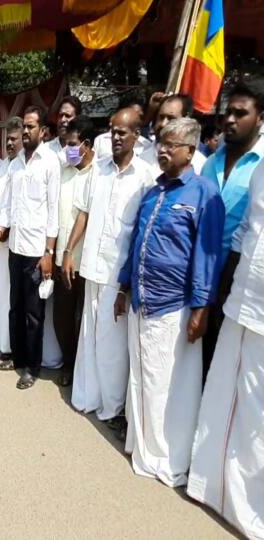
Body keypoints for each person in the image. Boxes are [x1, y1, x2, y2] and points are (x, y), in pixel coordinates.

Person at [116, 117, 224, 486]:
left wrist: (201, 308)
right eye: (161, 142)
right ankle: (143, 449)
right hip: (141, 301)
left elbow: (207, 257)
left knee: (169, 385)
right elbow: (136, 244)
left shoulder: (204, 194)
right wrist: (123, 286)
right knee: (143, 379)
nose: (162, 149)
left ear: (190, 151)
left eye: (171, 144)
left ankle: (169, 459)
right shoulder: (153, 191)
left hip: (174, 306)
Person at [62, 108, 154, 430]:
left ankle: (112, 407)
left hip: (119, 275)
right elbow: (84, 215)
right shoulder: (97, 171)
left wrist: (127, 284)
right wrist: (68, 252)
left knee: (113, 344)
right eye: (113, 131)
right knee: (89, 335)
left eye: (122, 132)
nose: (116, 137)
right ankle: (87, 396)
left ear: (136, 137)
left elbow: (142, 232)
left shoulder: (145, 176)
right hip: (92, 267)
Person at [187, 158, 264, 540]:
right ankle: (209, 487)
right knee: (220, 396)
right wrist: (219, 294)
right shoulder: (261, 171)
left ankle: (252, 511)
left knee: (258, 420)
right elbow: (244, 234)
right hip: (238, 303)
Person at [0, 106, 60, 389]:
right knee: (16, 306)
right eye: (25, 127)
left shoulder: (50, 162)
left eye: (32, 126)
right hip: (16, 247)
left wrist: (49, 253)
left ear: (43, 130)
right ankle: (18, 358)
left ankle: (32, 367)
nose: (27, 131)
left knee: (35, 313)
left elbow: (53, 212)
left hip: (36, 251)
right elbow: (8, 206)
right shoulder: (16, 163)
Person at [200, 84, 264, 372]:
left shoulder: (261, 166)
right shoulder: (210, 163)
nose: (230, 119)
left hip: (240, 283)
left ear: (260, 118)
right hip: (202, 277)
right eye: (228, 112)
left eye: (241, 113)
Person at [52, 115, 96, 387]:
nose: (67, 150)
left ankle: (83, 369)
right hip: (61, 259)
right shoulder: (62, 173)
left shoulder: (99, 175)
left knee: (86, 319)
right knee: (62, 318)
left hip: (87, 261)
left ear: (86, 145)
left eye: (72, 144)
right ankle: (69, 362)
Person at [0, 117, 24, 361]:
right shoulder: (3, 166)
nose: (9, 143)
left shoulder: (23, 167)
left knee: (13, 297)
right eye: (7, 139)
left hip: (12, 241)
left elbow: (14, 210)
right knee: (1, 296)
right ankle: (4, 346)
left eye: (14, 139)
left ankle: (13, 349)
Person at [139, 93, 207, 175]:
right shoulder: (141, 159)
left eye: (170, 118)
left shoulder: (200, 164)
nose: (163, 124)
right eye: (161, 117)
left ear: (185, 119)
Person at [46, 96, 82, 165]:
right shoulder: (45, 150)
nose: (62, 120)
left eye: (67, 116)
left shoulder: (84, 149)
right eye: (60, 115)